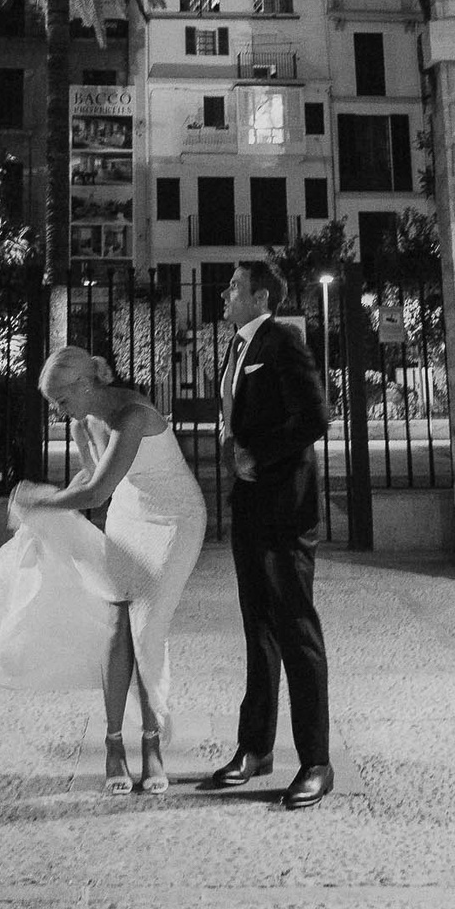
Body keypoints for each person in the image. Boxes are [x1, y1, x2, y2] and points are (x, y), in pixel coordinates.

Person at [11, 345, 206, 795]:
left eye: (62, 401)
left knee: (148, 629)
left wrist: (38, 502)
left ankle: (153, 740)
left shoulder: (132, 414)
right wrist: (46, 502)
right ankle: (114, 743)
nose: (60, 413)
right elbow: (92, 477)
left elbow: (96, 493)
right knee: (117, 629)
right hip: (129, 513)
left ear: (84, 384)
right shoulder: (84, 422)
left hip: (176, 519)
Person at [199, 262, 335, 810]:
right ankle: (255, 748)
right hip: (250, 505)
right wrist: (237, 451)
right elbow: (239, 418)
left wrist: (261, 454)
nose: (225, 293)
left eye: (233, 286)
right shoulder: (237, 347)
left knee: (296, 629)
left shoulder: (283, 341)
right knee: (257, 627)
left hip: (284, 507)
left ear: (260, 297)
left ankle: (317, 762)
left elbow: (316, 417)